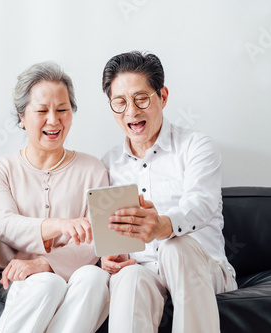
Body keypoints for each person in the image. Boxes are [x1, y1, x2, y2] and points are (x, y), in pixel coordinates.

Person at [100, 51, 238, 333]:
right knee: (129, 278)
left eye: (141, 98)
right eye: (120, 102)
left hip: (204, 266)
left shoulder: (197, 146)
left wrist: (163, 225)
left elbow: (202, 203)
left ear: (162, 96)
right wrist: (110, 257)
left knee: (175, 246)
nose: (131, 111)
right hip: (144, 271)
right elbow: (110, 234)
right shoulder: (108, 165)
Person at [0, 61, 110, 333]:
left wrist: (46, 263)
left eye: (62, 110)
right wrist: (60, 225)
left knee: (95, 277)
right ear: (21, 117)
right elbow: (6, 225)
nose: (54, 120)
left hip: (73, 275)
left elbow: (95, 240)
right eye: (41, 111)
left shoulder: (94, 168)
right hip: (15, 280)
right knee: (47, 283)